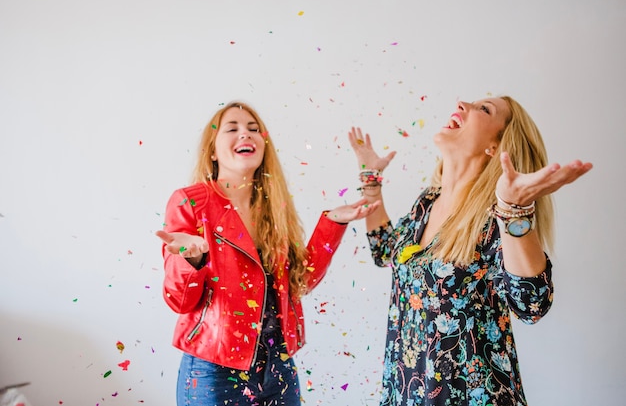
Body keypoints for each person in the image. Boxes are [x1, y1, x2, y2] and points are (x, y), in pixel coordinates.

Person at [348, 96, 592, 406]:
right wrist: (371, 180)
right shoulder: (427, 202)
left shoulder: (494, 218)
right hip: (407, 393)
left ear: (496, 146)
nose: (463, 103)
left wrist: (513, 210)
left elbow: (531, 304)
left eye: (484, 109)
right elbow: (385, 250)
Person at [156, 101, 379, 406]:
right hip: (214, 370)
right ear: (212, 150)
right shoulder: (191, 202)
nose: (245, 134)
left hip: (279, 368)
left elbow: (300, 281)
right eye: (232, 128)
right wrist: (190, 260)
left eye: (253, 129)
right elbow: (179, 301)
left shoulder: (274, 208)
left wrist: (333, 223)